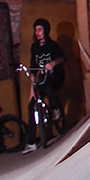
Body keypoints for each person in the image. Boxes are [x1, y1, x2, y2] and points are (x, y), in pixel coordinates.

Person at [25, 17, 66, 151]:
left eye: (39, 29)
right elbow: (33, 69)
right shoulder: (35, 47)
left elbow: (62, 58)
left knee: (48, 87)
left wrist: (53, 63)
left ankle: (55, 109)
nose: (37, 32)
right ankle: (31, 142)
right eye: (35, 30)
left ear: (45, 30)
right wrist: (32, 90)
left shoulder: (52, 45)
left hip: (56, 76)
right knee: (32, 105)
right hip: (43, 78)